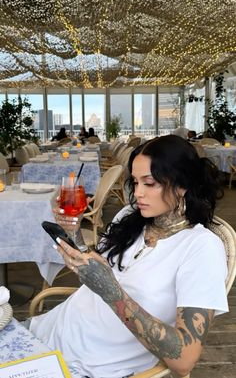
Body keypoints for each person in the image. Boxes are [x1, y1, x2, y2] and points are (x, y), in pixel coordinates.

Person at [29, 135, 228, 378]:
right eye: (135, 182)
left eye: (150, 183)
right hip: (52, 329)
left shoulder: (201, 247)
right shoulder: (130, 217)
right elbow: (101, 266)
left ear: (182, 184)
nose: (138, 193)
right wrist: (74, 235)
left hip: (86, 363)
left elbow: (185, 359)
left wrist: (111, 292)